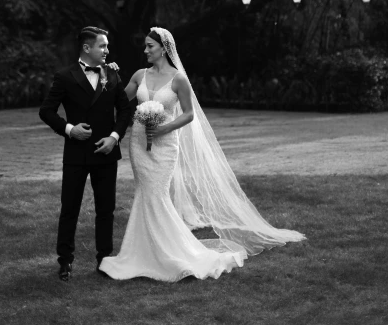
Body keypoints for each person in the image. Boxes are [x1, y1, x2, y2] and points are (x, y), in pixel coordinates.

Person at [99, 27, 306, 281]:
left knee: (157, 194)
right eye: (145, 46)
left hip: (165, 145)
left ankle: (169, 252)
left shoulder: (178, 79)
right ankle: (142, 252)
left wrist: (163, 128)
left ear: (163, 48)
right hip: (140, 143)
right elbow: (118, 100)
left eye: (149, 46)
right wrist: (107, 76)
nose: (145, 51)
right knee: (145, 192)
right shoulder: (139, 75)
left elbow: (188, 114)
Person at [39, 26, 131, 281]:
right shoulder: (65, 76)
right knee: (69, 208)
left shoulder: (112, 74)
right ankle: (65, 261)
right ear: (87, 48)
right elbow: (46, 111)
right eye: (102, 46)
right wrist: (70, 129)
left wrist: (114, 137)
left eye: (107, 46)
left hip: (106, 152)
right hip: (76, 153)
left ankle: (104, 260)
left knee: (106, 210)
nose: (107, 50)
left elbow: (125, 110)